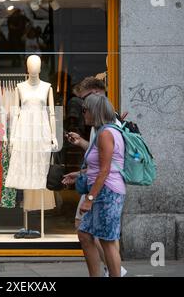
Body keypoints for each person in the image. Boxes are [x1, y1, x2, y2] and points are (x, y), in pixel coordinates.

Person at [62, 77, 127, 277]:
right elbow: (98, 166)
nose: (83, 114)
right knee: (84, 233)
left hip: (107, 192)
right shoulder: (101, 131)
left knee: (107, 241)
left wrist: (89, 199)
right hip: (102, 189)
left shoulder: (107, 133)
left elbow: (105, 170)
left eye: (85, 110)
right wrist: (78, 174)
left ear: (94, 111)